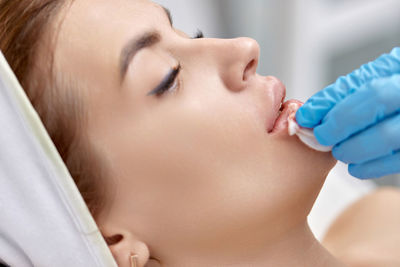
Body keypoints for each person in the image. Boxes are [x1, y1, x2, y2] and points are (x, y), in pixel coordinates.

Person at [0, 0, 398, 266]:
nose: (245, 48)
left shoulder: (377, 220)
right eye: (166, 77)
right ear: (110, 241)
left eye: (194, 35)